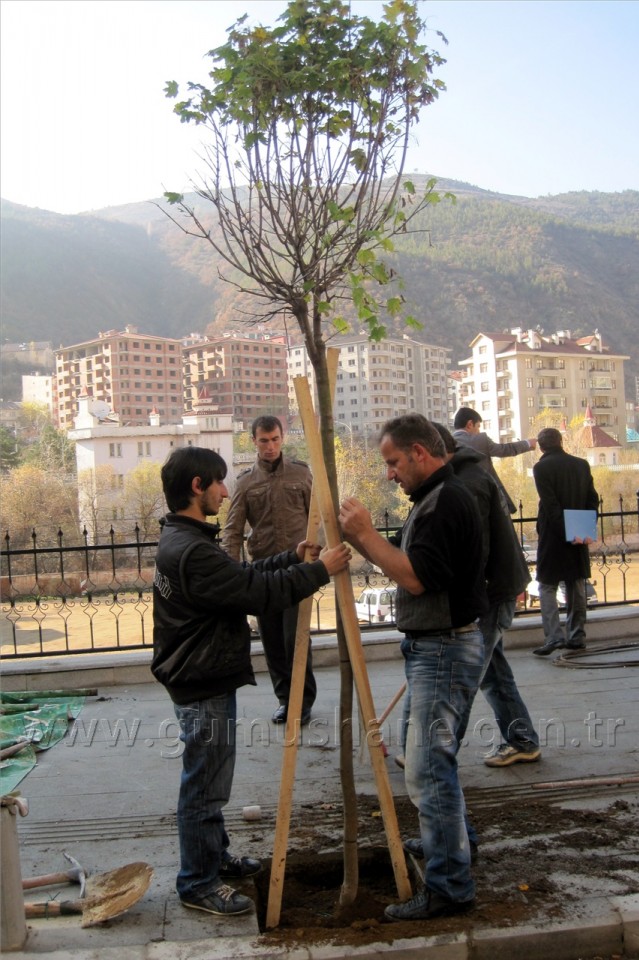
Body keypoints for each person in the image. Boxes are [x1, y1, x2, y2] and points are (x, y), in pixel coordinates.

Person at [152, 446, 351, 918]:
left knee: (210, 783)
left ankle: (214, 857)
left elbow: (240, 575)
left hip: (203, 677)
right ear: (197, 487)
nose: (225, 490)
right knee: (204, 788)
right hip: (201, 683)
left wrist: (290, 559)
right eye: (218, 483)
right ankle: (197, 882)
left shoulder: (185, 541)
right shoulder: (192, 551)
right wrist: (320, 570)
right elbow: (255, 593)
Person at [339, 414, 487, 922]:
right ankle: (449, 846)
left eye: (394, 462)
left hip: (444, 649)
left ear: (420, 453)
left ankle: (449, 887)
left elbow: (418, 578)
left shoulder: (445, 503)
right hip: (438, 649)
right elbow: (408, 565)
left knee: (428, 770)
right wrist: (358, 541)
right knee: (428, 762)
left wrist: (363, 532)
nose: (390, 474)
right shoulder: (436, 498)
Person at [433, 423, 540, 768]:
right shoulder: (461, 475)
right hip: (494, 591)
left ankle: (438, 752)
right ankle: (522, 740)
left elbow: (476, 554)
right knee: (493, 674)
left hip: (492, 593)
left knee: (467, 675)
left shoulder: (468, 484)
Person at [222, 415, 316, 725]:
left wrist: (319, 560)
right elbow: (233, 529)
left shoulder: (301, 475)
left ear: (283, 437)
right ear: (254, 442)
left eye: (275, 439)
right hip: (262, 572)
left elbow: (318, 518)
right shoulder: (246, 481)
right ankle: (285, 699)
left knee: (296, 638)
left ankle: (302, 700)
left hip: (297, 568)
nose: (270, 446)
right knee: (272, 639)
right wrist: (232, 573)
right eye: (264, 441)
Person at [532, 427, 599, 656]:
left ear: (541, 446)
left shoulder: (541, 468)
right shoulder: (581, 464)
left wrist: (564, 531)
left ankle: (553, 637)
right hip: (579, 533)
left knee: (547, 586)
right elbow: (592, 498)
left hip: (553, 535)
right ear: (561, 442)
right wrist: (583, 528)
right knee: (576, 584)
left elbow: (550, 506)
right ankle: (577, 636)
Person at [453, 406, 537, 513]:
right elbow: (503, 450)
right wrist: (528, 443)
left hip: (458, 498)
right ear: (469, 424)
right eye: (478, 426)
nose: (479, 431)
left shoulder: (446, 442)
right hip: (482, 496)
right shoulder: (480, 440)